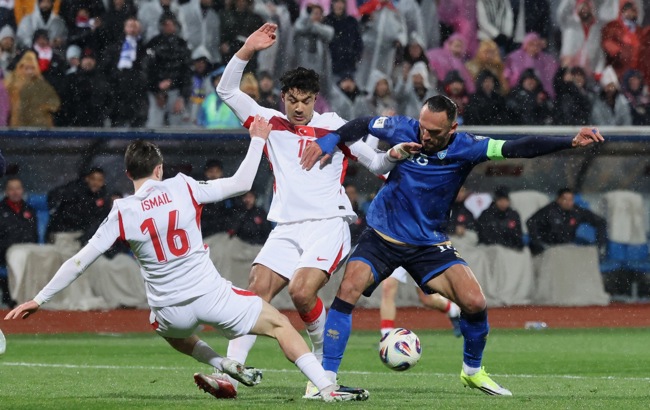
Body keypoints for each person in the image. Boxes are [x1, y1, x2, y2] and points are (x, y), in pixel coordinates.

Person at [4, 117, 365, 402]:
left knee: (163, 326)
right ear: (159, 169)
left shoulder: (122, 211)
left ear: (128, 174)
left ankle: (222, 363)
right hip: (211, 296)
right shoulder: (183, 186)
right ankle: (326, 388)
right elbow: (241, 183)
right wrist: (257, 140)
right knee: (280, 325)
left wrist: (39, 299)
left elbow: (79, 262)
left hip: (171, 311)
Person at [300, 94, 605, 396]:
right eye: (423, 127)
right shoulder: (402, 128)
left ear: (452, 128)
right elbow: (364, 123)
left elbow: (518, 147)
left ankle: (472, 372)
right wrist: (331, 139)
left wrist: (570, 142)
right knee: (348, 290)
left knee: (474, 302)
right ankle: (326, 379)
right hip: (383, 235)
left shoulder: (468, 147)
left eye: (434, 132)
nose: (425, 135)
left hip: (428, 244)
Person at [216, 23, 417, 399]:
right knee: (255, 291)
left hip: (328, 225)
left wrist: (395, 153)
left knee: (301, 292)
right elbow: (225, 90)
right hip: (286, 227)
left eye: (306, 100)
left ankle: (325, 370)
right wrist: (248, 48)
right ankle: (229, 373)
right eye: (292, 99)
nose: (298, 107)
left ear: (315, 100)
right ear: (283, 97)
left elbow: (376, 164)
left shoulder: (335, 126)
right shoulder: (269, 122)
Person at [380, 268, 462, 337]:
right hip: (397, 253)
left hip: (419, 254)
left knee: (427, 299)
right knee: (387, 287)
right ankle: (387, 337)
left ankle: (452, 310)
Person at [526, 187, 607, 256]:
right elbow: (531, 222)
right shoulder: (549, 211)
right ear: (558, 200)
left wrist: (600, 244)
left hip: (566, 247)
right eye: (565, 199)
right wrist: (537, 243)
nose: (568, 203)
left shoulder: (577, 211)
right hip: (548, 247)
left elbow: (600, 222)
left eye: (571, 200)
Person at [0, 177, 39, 308]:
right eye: (11, 189)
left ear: (22, 190)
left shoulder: (30, 210)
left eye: (18, 188)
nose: (15, 192)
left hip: (28, 249)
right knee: (18, 257)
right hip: (5, 250)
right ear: (6, 191)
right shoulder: (1, 210)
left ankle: (35, 297)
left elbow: (34, 234)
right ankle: (16, 298)